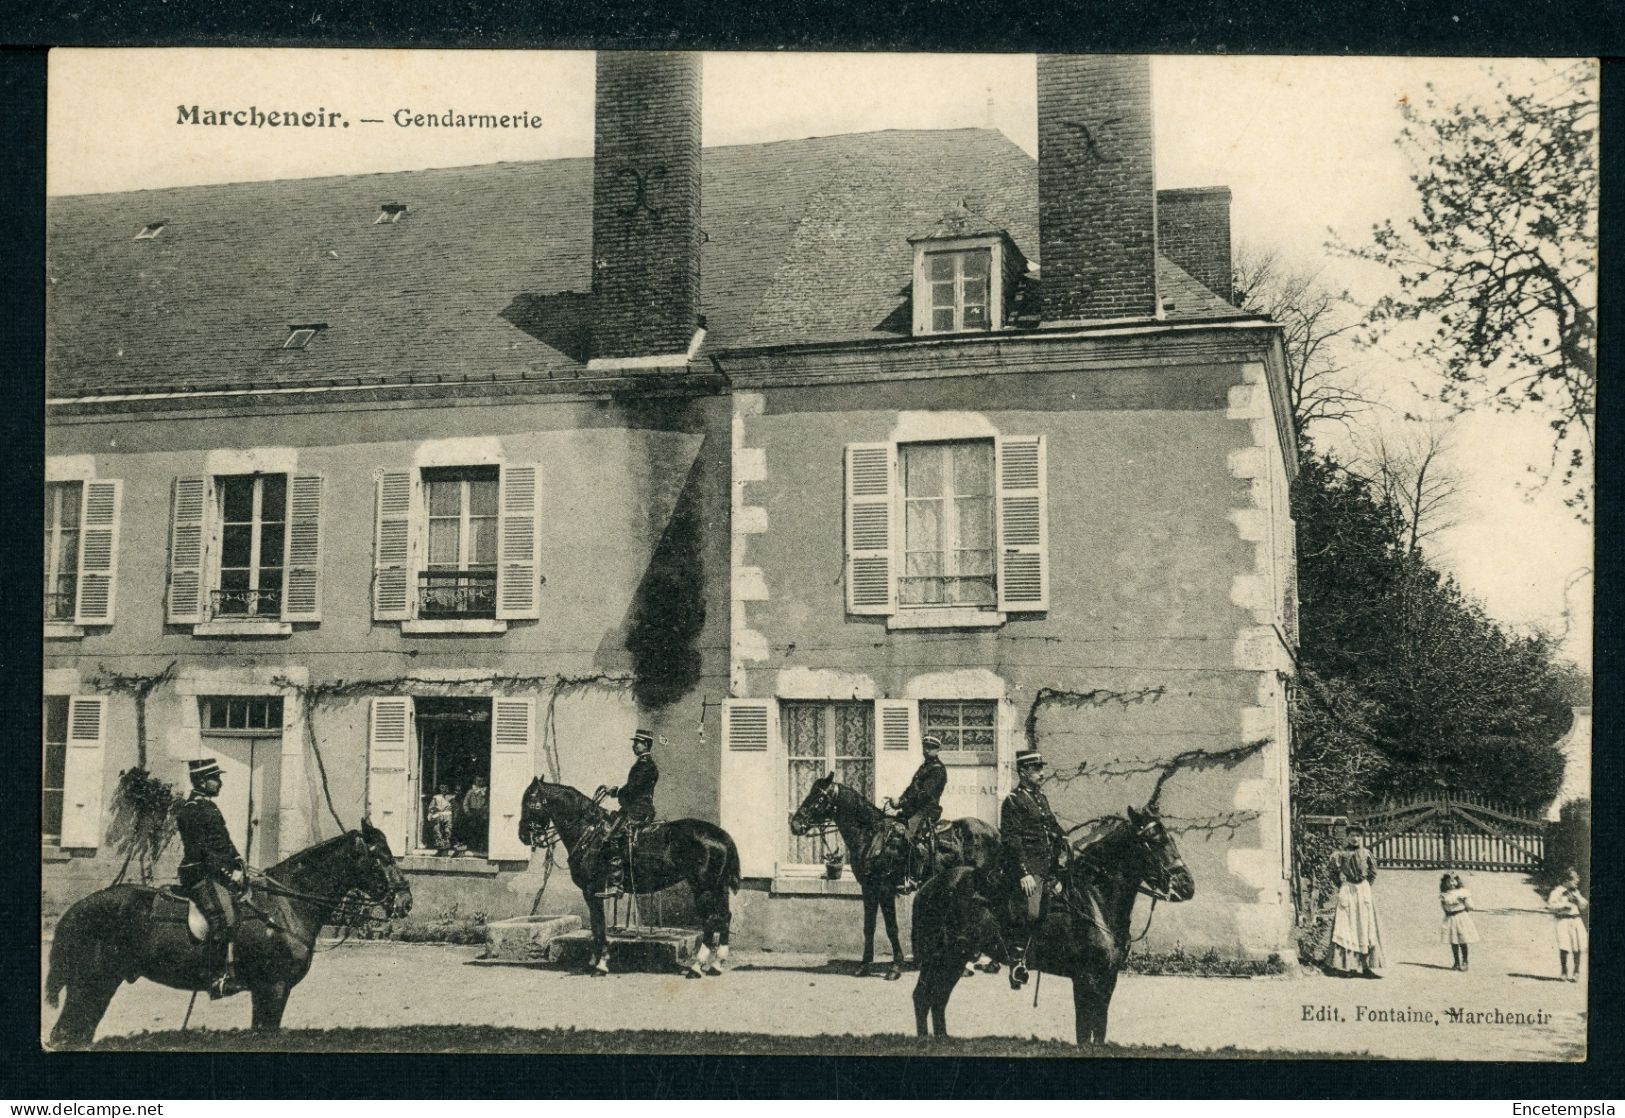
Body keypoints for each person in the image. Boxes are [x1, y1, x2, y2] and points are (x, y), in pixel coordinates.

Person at [175, 757, 246, 999]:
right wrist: (228, 873)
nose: (220, 783)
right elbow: (203, 851)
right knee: (224, 916)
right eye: (216, 778)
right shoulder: (191, 810)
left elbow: (223, 842)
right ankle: (216, 978)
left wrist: (238, 862)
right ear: (203, 781)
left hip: (215, 871)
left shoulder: (210, 807)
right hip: (200, 873)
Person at [1000, 749, 1066, 989]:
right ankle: (1017, 962)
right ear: (1023, 772)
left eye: (1041, 769)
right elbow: (1012, 840)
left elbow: (1052, 825)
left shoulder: (1040, 798)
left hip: (1047, 867)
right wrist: (1023, 872)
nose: (1042, 773)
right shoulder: (1013, 801)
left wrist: (1064, 838)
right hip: (1029, 869)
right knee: (1032, 912)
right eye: (1036, 769)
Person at [598, 729, 659, 898]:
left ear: (645, 744)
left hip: (639, 810)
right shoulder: (643, 763)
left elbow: (632, 790)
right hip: (637, 808)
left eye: (637, 742)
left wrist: (616, 792)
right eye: (634, 742)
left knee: (611, 835)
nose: (634, 746)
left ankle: (617, 884)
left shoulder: (645, 765)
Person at [885, 734, 947, 893]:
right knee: (892, 829)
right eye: (925, 747)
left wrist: (903, 802)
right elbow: (912, 789)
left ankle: (913, 877)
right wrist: (899, 800)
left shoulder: (938, 770)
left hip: (927, 810)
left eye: (931, 748)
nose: (927, 750)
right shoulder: (924, 767)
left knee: (909, 835)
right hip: (914, 808)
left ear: (938, 750)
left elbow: (924, 794)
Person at [1324, 825, 1385, 978]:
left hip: (1362, 890)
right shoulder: (1341, 854)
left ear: (1361, 838)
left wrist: (1364, 887)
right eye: (1352, 835)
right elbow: (1332, 871)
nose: (1355, 838)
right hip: (1348, 889)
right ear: (1347, 837)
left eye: (1358, 836)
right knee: (1347, 926)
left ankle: (1365, 967)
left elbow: (1373, 872)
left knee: (1364, 926)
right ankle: (1346, 966)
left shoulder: (1366, 853)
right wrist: (1343, 885)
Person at [1548, 867, 1588, 982]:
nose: (1577, 881)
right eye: (1575, 879)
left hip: (1576, 921)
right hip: (1563, 921)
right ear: (1566, 880)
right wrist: (1563, 906)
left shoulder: (1575, 892)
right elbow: (1551, 906)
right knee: (1564, 946)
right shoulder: (1557, 892)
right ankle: (1564, 971)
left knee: (1577, 946)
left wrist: (1578, 900)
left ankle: (1576, 971)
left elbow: (1583, 906)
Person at [1439, 872, 1479, 971]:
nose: (1451, 884)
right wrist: (1448, 912)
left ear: (1457, 882)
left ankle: (1465, 961)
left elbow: (1471, 906)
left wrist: (1464, 902)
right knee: (1453, 941)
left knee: (1462, 940)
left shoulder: (1463, 892)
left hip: (1461, 917)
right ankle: (1456, 962)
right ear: (1445, 883)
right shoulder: (1444, 894)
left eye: (1453, 881)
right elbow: (1444, 907)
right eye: (1449, 882)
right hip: (1450, 918)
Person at [457, 774, 489, 855]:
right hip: (472, 813)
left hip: (482, 813)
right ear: (475, 781)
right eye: (478, 781)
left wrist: (485, 811)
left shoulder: (486, 792)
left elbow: (488, 803)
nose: (480, 783)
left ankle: (481, 847)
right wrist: (467, 812)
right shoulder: (471, 792)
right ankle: (471, 846)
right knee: (472, 830)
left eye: (482, 781)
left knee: (482, 830)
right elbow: (465, 803)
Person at [426, 784, 455, 854]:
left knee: (447, 830)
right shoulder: (436, 797)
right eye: (442, 787)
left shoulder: (451, 797)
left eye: (446, 787)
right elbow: (431, 807)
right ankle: (440, 847)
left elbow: (455, 807)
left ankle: (446, 847)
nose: (444, 789)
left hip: (448, 815)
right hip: (438, 815)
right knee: (437, 830)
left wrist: (454, 815)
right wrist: (430, 814)